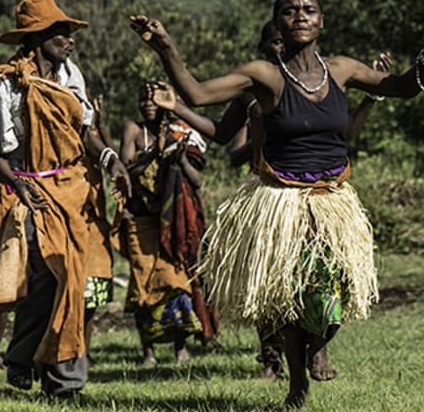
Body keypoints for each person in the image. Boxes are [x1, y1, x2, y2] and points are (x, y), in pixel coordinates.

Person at [129, 0, 424, 408]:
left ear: (322, 20)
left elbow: (403, 86)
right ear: (279, 22)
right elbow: (198, 95)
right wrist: (166, 47)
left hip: (332, 201)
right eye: (290, 11)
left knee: (332, 297)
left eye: (309, 10)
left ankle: (313, 347)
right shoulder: (263, 75)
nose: (300, 16)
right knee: (286, 296)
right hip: (281, 203)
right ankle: (297, 379)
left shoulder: (341, 70)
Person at [156, 23, 393, 381]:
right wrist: (179, 106)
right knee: (273, 285)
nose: (282, 46)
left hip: (324, 195)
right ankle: (274, 360)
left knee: (327, 279)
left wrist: (372, 94)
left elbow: (346, 135)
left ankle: (318, 348)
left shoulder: (323, 83)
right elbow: (223, 135)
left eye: (285, 41)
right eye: (275, 42)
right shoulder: (253, 90)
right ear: (266, 47)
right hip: (273, 196)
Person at [0, 0, 128, 398]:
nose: (70, 39)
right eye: (60, 32)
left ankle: (60, 378)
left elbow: (84, 130)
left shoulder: (70, 76)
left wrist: (110, 159)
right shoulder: (4, 84)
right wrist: (21, 187)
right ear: (37, 36)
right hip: (27, 190)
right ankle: (28, 359)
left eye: (68, 31)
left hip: (71, 189)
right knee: (45, 280)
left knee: (71, 280)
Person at [118, 82, 213, 366]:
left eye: (153, 99)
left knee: (176, 282)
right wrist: (153, 154)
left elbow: (196, 181)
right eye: (142, 99)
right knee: (142, 283)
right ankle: (148, 351)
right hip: (141, 219)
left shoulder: (180, 132)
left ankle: (180, 348)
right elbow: (123, 170)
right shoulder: (134, 131)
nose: (147, 104)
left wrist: (179, 158)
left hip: (171, 222)